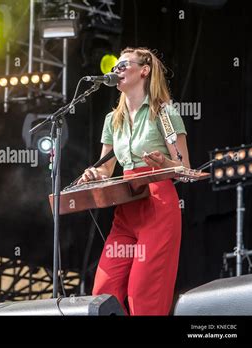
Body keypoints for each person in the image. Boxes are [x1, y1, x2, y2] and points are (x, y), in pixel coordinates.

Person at [79, 47, 190, 315]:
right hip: (127, 208)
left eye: (123, 65)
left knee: (143, 295)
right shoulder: (112, 119)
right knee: (103, 293)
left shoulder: (164, 112)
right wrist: (93, 175)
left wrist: (163, 163)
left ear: (144, 70)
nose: (116, 71)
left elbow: (185, 168)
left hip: (157, 206)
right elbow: (105, 171)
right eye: (115, 67)